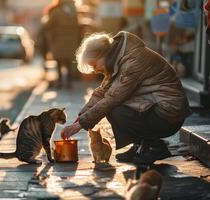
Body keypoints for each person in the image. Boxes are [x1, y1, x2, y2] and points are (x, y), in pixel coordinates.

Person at [60, 31, 191, 164]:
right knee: (115, 107)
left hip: (169, 115)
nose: (95, 70)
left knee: (117, 110)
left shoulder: (133, 61)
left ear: (104, 55)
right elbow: (101, 94)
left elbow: (112, 98)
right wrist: (78, 120)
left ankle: (155, 147)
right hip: (155, 107)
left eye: (94, 65)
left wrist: (81, 123)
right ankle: (140, 145)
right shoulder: (116, 61)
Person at [42, 0, 80, 89]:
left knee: (59, 62)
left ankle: (59, 82)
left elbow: (48, 25)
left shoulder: (56, 11)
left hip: (58, 40)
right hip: (71, 40)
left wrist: (50, 34)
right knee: (68, 62)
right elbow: (78, 26)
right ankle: (69, 83)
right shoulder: (74, 12)